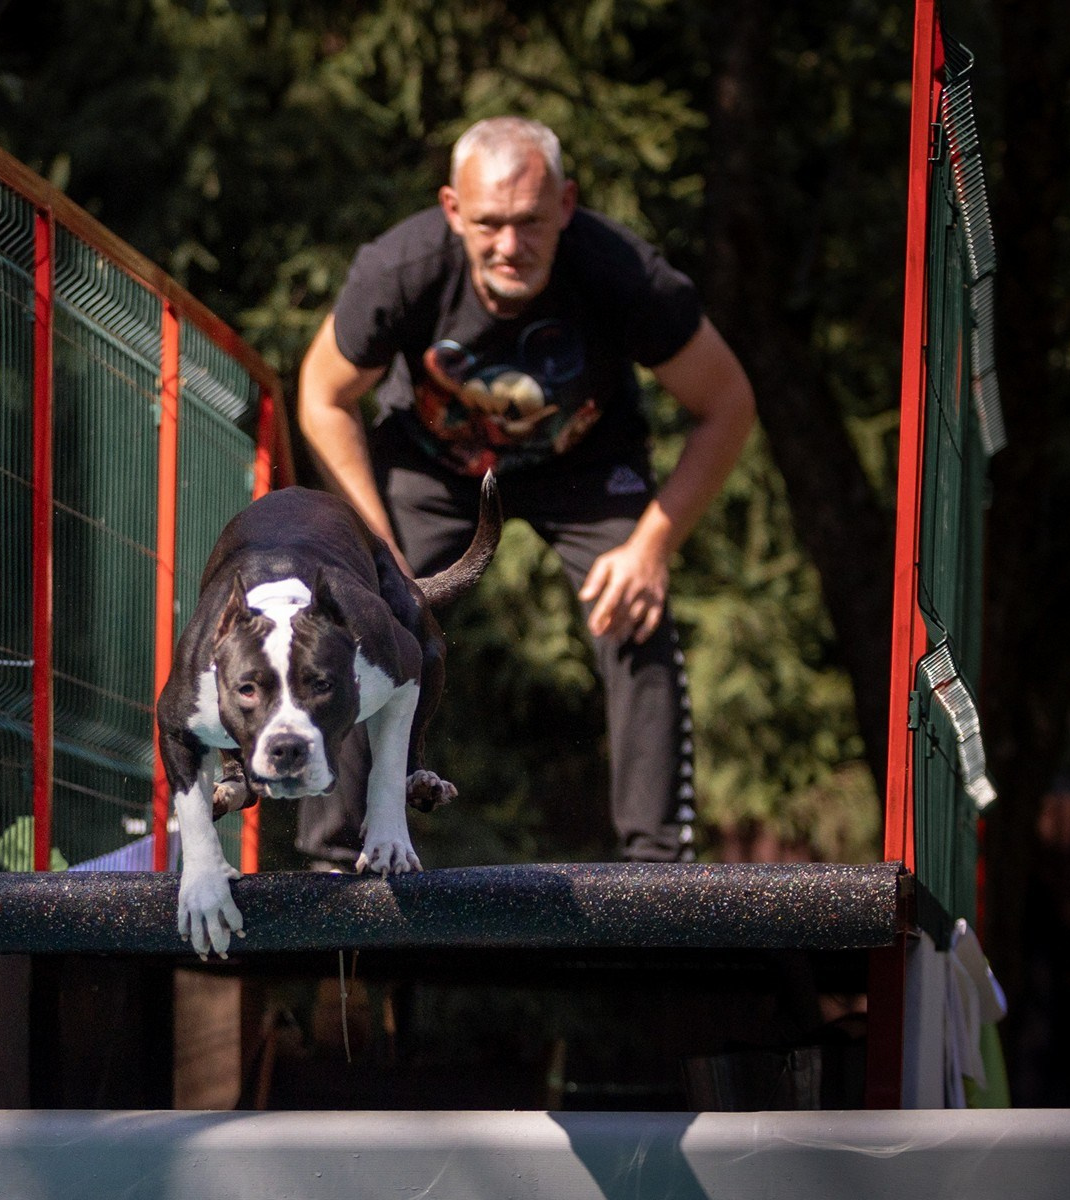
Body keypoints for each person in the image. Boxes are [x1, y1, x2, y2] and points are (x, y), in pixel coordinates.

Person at [296, 115, 756, 866]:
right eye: (489, 223)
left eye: (531, 222)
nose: (510, 245)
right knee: (368, 609)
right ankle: (336, 857)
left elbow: (728, 402)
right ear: (453, 212)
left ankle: (657, 867)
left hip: (585, 468)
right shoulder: (401, 269)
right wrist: (375, 544)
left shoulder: (624, 276)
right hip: (431, 469)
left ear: (566, 206)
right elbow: (321, 395)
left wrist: (651, 546)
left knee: (634, 610)